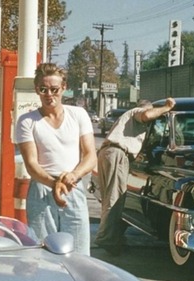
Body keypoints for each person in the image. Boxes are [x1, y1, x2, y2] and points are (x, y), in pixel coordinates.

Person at [15, 63, 97, 255]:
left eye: (54, 89)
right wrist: (54, 184)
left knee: (79, 254)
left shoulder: (78, 115)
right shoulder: (27, 121)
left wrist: (73, 176)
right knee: (43, 252)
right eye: (43, 89)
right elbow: (32, 164)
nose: (49, 94)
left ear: (64, 88)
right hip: (42, 190)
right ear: (37, 90)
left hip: (72, 187)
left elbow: (90, 155)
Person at [94, 97, 176, 255]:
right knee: (115, 198)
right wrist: (166, 107)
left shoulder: (129, 119)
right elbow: (146, 115)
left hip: (108, 152)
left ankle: (112, 236)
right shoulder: (138, 112)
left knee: (109, 198)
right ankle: (107, 239)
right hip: (117, 154)